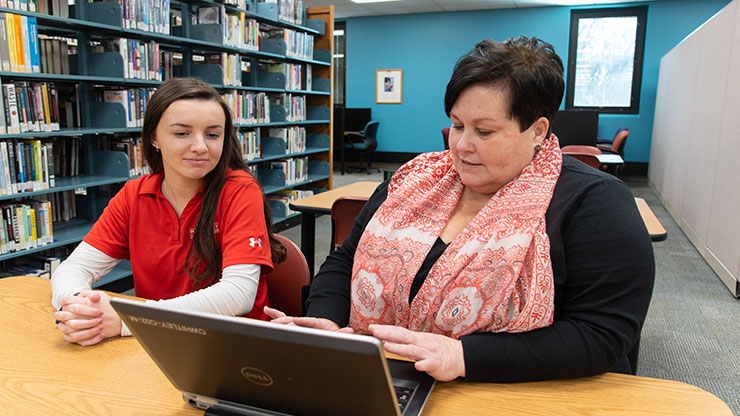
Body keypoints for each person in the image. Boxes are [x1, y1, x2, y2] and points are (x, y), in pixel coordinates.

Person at [266, 37, 655, 383]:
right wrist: (327, 319)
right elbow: (347, 258)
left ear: (537, 131)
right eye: (456, 125)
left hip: (510, 391)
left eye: (484, 132)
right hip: (381, 378)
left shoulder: (595, 203)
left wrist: (465, 356)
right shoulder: (414, 179)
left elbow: (602, 334)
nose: (462, 145)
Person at [52, 77, 286, 346]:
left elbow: (238, 294)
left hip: (232, 346)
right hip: (159, 341)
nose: (200, 146)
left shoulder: (239, 191)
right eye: (182, 133)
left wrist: (131, 320)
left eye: (212, 134)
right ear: (154, 138)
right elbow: (74, 268)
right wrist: (83, 311)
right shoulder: (134, 195)